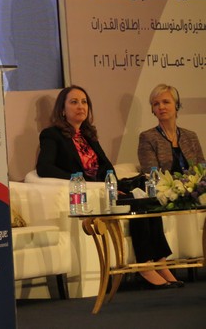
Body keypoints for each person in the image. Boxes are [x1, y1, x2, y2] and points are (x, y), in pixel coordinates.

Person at [36, 85, 181, 289]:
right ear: (62, 109)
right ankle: (145, 266)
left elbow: (107, 167)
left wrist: (112, 186)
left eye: (84, 102)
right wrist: (82, 181)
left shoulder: (88, 135)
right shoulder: (52, 135)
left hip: (106, 191)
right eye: (74, 102)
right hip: (89, 195)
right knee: (137, 203)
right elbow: (44, 167)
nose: (80, 106)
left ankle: (161, 262)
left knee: (148, 199)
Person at [138, 84, 205, 174]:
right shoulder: (147, 138)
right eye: (156, 104)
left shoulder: (191, 136)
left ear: (176, 105)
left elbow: (203, 170)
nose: (161, 107)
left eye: (166, 102)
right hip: (164, 183)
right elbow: (153, 175)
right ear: (153, 110)